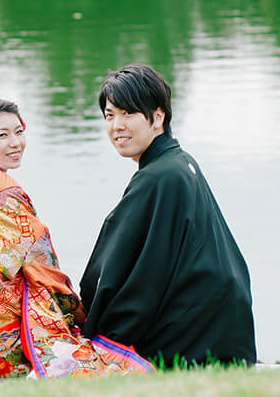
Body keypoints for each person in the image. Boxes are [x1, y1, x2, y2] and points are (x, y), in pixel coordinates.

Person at [0, 93, 152, 378]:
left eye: (19, 132)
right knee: (43, 296)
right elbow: (47, 274)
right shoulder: (5, 200)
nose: (15, 143)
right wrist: (83, 319)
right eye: (3, 135)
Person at [79, 64, 256, 367]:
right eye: (110, 115)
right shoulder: (179, 163)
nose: (116, 126)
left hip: (196, 336)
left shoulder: (157, 178)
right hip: (223, 326)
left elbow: (122, 269)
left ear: (158, 117)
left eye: (128, 113)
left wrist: (91, 325)